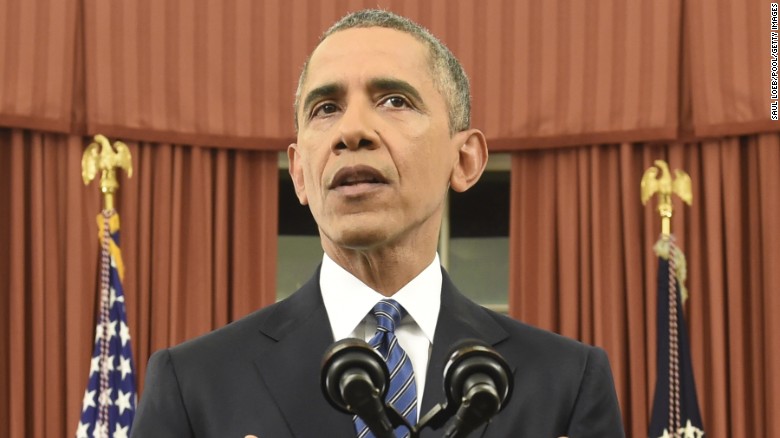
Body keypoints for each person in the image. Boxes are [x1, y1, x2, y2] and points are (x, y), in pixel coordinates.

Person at [131, 9, 625, 438]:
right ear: (300, 173)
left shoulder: (568, 381)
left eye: (394, 101)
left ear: (466, 160)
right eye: (326, 109)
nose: (352, 131)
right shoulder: (194, 382)